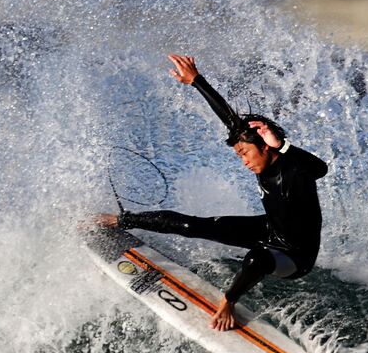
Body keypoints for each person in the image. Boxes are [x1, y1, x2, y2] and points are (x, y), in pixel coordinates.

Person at [95, 54, 328, 331]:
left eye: (245, 153)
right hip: (271, 229)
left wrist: (283, 146)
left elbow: (320, 168)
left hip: (294, 255)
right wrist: (196, 80)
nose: (243, 160)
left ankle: (228, 303)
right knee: (191, 225)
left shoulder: (293, 171)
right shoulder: (259, 153)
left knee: (256, 258)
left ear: (266, 146)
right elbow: (230, 118)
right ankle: (121, 220)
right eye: (239, 154)